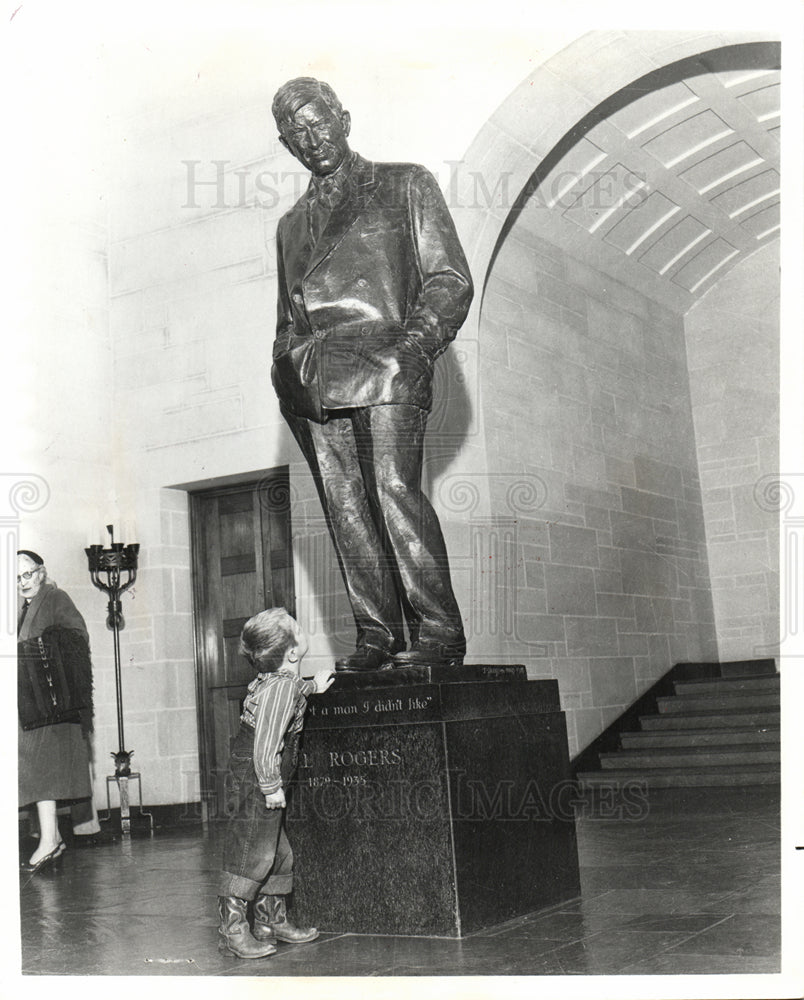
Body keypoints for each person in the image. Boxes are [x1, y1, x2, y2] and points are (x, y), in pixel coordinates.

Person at [271, 77, 474, 672]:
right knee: (345, 511)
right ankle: (377, 634)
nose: (313, 139)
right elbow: (288, 314)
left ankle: (439, 633)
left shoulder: (404, 183)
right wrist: (286, 364)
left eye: (320, 122)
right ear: (287, 145)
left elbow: (448, 278)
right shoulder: (290, 225)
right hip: (316, 379)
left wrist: (414, 347)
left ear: (345, 118)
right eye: (297, 133)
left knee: (394, 496)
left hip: (387, 362)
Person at [217, 607, 335, 959]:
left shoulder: (280, 681)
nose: (303, 629)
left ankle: (270, 921)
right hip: (259, 775)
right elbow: (267, 744)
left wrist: (314, 685)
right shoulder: (280, 690)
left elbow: (293, 690)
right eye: (298, 629)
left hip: (260, 772)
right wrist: (271, 786)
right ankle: (233, 928)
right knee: (251, 853)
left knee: (278, 852)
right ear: (293, 652)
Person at [17, 550, 102, 873]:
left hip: (53, 707)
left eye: (27, 574)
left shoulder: (56, 597)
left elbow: (77, 637)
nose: (23, 582)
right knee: (39, 773)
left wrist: (39, 648)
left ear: (42, 572)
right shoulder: (23, 608)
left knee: (44, 773)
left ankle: (50, 841)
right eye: (16, 578)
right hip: (33, 707)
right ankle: (51, 838)